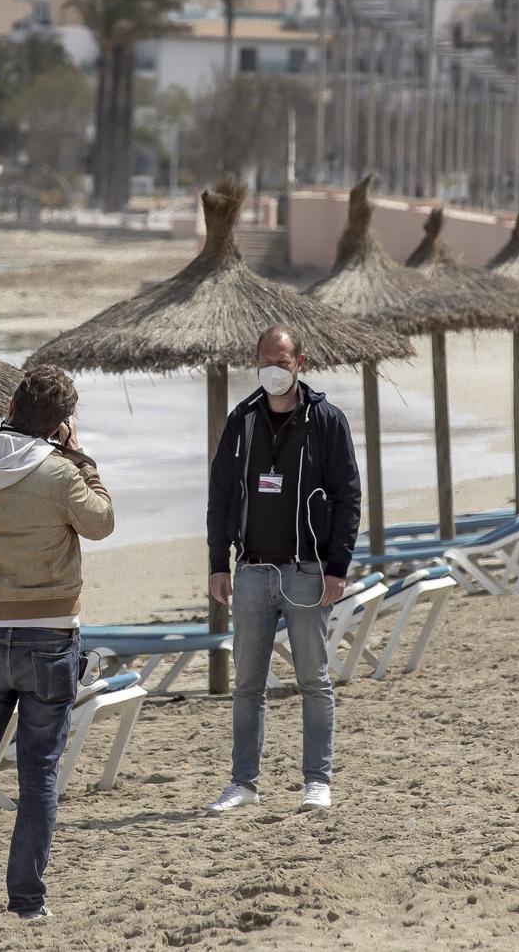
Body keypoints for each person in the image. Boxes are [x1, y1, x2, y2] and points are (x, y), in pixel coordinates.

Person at [0, 364, 113, 925]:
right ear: (62, 424)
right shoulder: (60, 474)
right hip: (49, 633)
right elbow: (101, 522)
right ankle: (26, 902)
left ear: (10, 402)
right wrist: (80, 457)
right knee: (38, 774)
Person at [204, 325, 362, 815]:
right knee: (247, 684)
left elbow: (348, 496)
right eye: (266, 361)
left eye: (283, 360)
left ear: (301, 363)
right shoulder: (243, 420)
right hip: (250, 571)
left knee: (313, 680)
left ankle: (317, 780)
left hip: (306, 571)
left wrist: (337, 568)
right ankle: (243, 783)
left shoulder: (327, 421)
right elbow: (222, 494)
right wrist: (217, 562)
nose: (274, 369)